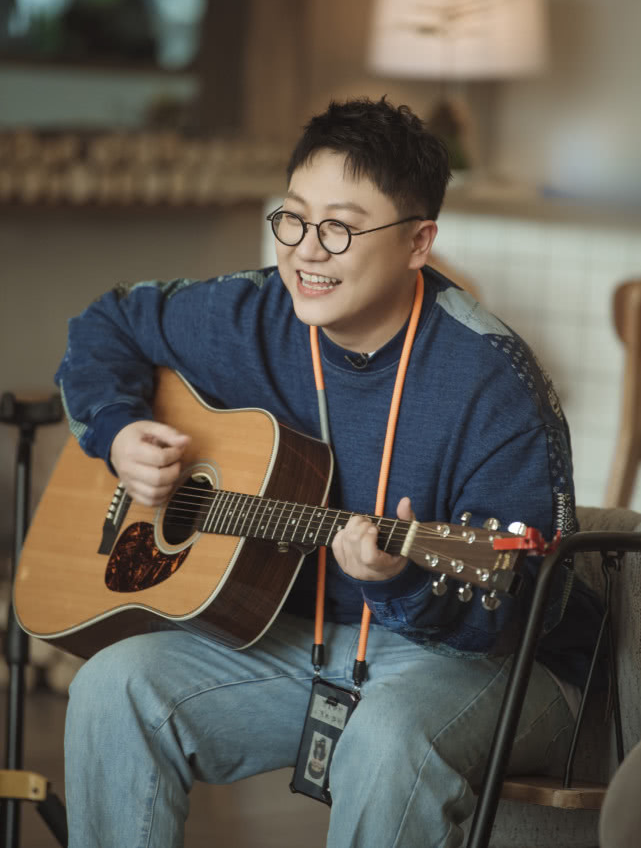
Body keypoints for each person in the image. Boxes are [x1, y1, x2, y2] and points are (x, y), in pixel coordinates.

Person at [57, 97, 603, 848]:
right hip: (301, 641)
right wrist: (118, 432)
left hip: (486, 664)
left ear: (418, 242)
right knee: (113, 686)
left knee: (387, 735)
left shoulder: (493, 381)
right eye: (294, 218)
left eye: (340, 228)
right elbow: (107, 323)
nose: (306, 252)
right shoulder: (253, 312)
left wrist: (398, 582)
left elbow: (519, 608)